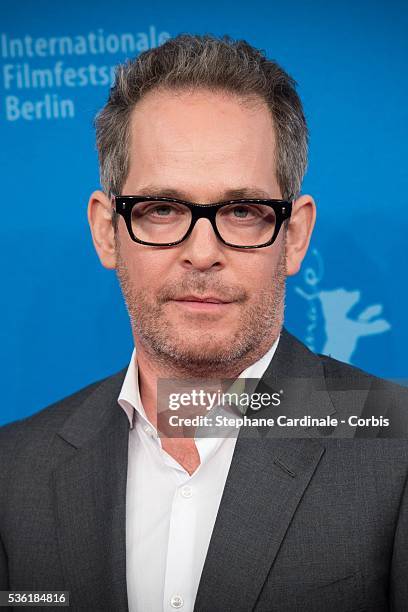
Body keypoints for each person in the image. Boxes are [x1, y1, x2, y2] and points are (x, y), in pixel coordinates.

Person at [1, 34, 407, 612]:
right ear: (105, 230)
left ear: (293, 236)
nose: (202, 251)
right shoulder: (13, 472)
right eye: (162, 209)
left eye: (242, 211)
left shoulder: (398, 447)